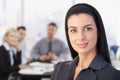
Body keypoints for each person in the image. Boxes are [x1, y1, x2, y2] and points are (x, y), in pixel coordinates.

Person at [51, 3, 120, 80]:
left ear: (98, 31)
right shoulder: (59, 69)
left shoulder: (113, 75)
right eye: (73, 30)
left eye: (88, 29)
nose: (80, 37)